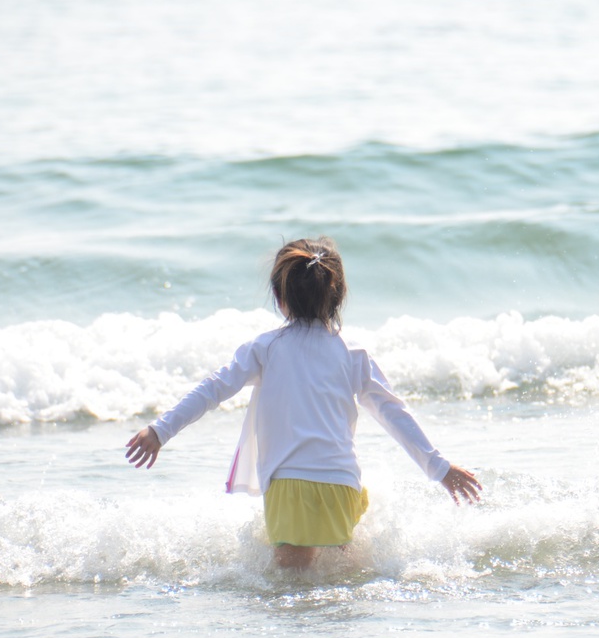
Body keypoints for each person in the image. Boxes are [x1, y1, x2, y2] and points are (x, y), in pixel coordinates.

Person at [125, 237, 481, 569]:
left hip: (290, 487)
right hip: (342, 487)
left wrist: (160, 430)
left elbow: (213, 389)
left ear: (279, 298)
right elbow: (393, 412)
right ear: (338, 297)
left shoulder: (265, 348)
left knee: (290, 587)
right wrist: (439, 468)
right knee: (342, 571)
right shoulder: (353, 353)